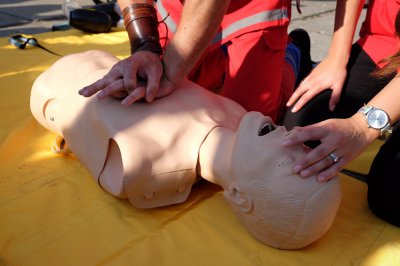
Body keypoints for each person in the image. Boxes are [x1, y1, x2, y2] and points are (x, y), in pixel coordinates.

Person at [30, 50, 341, 249]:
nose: (291, 140)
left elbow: (74, 115)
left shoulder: (141, 165)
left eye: (288, 164)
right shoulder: (238, 117)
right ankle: (292, 50)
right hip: (106, 56)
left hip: (50, 88)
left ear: (241, 198)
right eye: (306, 149)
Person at [77, 0, 306, 122]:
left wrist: (168, 74)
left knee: (248, 124)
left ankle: (291, 53)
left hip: (255, 6)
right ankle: (221, 64)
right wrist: (144, 46)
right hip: (185, 4)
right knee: (169, 94)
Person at [282, 1, 400, 225]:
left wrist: (361, 127)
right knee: (299, 133)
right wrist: (336, 58)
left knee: (391, 194)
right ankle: (295, 53)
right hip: (384, 44)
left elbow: (360, 128)